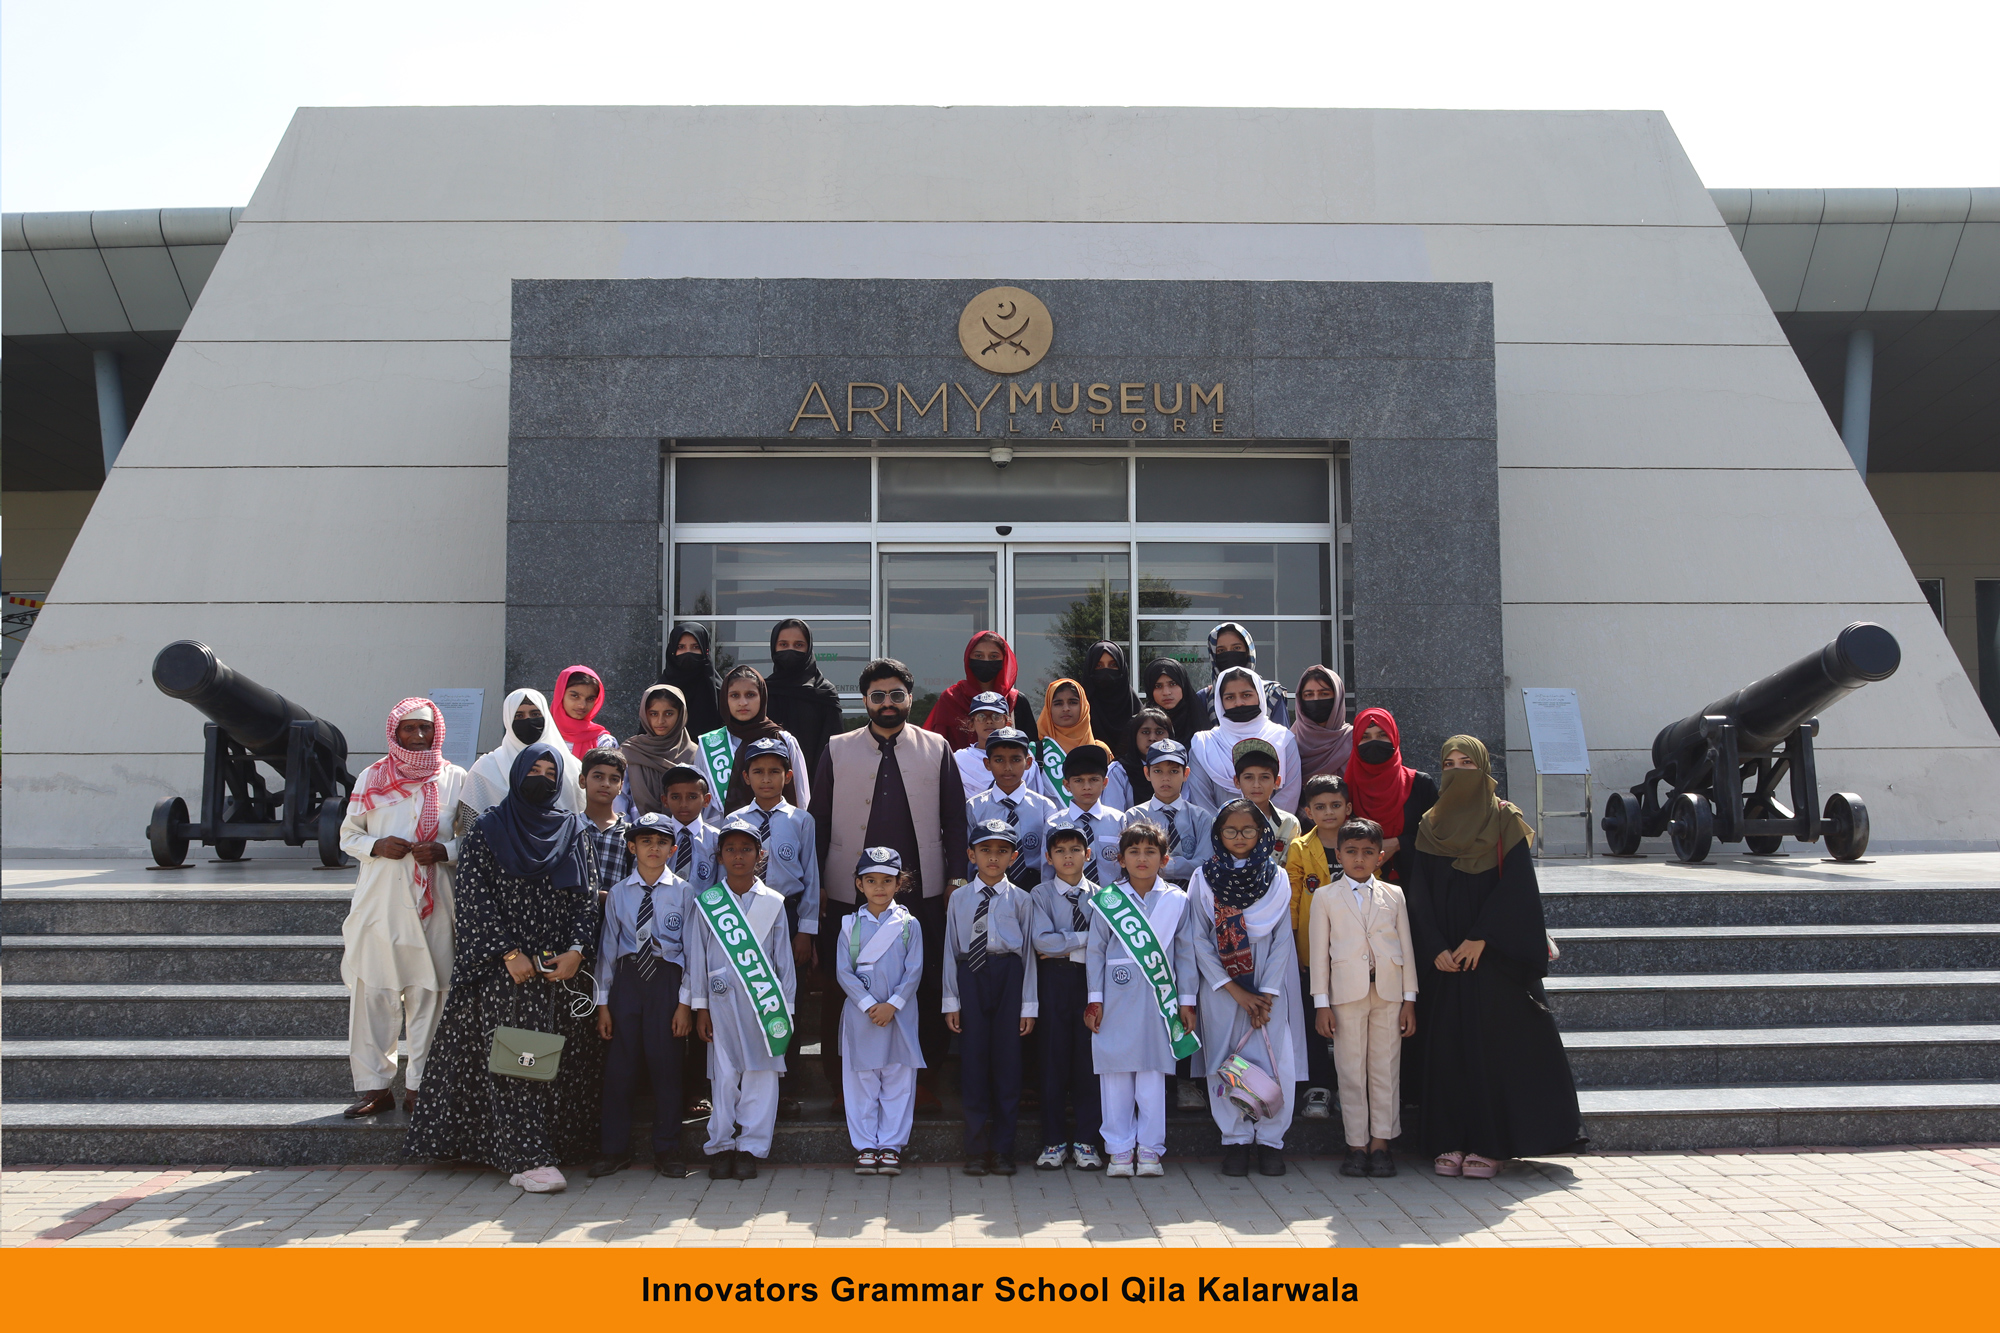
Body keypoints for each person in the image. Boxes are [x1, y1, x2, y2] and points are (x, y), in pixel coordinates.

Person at [404, 742, 604, 1194]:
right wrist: (508, 954)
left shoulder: (573, 830)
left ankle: (552, 1145)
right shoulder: (488, 830)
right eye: (534, 769)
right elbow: (474, 898)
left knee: (558, 1061)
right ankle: (526, 1158)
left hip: (560, 971)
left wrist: (576, 951)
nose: (542, 778)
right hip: (507, 972)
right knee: (519, 1059)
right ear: (516, 774)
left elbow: (587, 898)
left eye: (550, 773)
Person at [1407, 736, 1584, 1178]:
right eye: (1449, 763)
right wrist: (1434, 947)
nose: (1458, 771)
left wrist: (1481, 938)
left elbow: (1518, 888)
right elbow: (1419, 895)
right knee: (1447, 1051)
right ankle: (1449, 1140)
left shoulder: (1505, 819)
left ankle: (1493, 1144)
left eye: (1467, 763)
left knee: (1495, 1051)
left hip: (1493, 959)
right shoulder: (1430, 824)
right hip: (1445, 962)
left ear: (1484, 767)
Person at [811, 658, 969, 1111]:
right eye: (878, 695)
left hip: (923, 891)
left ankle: (924, 1079)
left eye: (896, 695)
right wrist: (818, 882)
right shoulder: (837, 748)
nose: (887, 703)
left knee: (925, 981)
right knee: (842, 985)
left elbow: (955, 819)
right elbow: (818, 820)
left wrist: (957, 877)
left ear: (909, 699)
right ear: (864, 700)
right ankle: (842, 1082)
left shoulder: (936, 747)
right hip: (848, 890)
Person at [338, 698, 464, 1119]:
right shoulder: (372, 775)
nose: (418, 735)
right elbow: (348, 835)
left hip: (434, 904)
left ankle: (420, 1087)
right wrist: (376, 845)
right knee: (373, 994)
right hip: (381, 903)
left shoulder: (456, 778)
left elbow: (474, 837)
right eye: (409, 728)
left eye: (425, 728)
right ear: (395, 733)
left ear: (437, 731)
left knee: (430, 995)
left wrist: (445, 850)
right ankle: (375, 1088)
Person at [1188, 799, 1307, 1178]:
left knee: (1275, 1060)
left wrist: (1266, 993)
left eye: (1248, 830)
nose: (1239, 837)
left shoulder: (1277, 877)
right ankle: (1235, 1139)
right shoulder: (1203, 877)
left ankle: (1271, 1141)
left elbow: (1282, 939)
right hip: (1221, 986)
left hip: (1269, 983)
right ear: (1217, 835)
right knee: (1223, 1060)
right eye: (1230, 830)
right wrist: (1235, 990)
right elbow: (1197, 938)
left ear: (1262, 834)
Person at [686, 814, 798, 1180]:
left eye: (746, 849)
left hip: (764, 1003)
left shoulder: (774, 903)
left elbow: (784, 962)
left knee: (761, 1076)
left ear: (760, 855)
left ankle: (750, 1147)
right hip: (720, 1005)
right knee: (723, 1077)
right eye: (730, 849)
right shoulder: (708, 902)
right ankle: (721, 1146)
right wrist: (700, 1008)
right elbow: (698, 958)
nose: (738, 856)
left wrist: (786, 1009)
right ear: (719, 856)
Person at [1085, 822, 1198, 1179]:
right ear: (1120, 859)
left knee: (1152, 1075)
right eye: (1133, 852)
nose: (1142, 858)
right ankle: (1119, 1149)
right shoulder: (1108, 900)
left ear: (1165, 859)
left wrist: (1187, 1001)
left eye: (1150, 852)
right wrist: (1095, 1000)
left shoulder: (1176, 900)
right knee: (1115, 1075)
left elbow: (1186, 953)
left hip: (1158, 1001)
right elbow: (1095, 951)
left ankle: (1150, 1149)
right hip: (1116, 999)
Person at [1310, 816, 1418, 1180]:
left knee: (1386, 1069)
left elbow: (1406, 947)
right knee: (1350, 1069)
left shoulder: (1394, 895)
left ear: (1380, 856)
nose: (1359, 859)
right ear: (1339, 854)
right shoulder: (1325, 896)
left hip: (1388, 992)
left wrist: (1409, 999)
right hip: (1345, 995)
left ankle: (1381, 1144)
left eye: (1368, 852)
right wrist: (1321, 1003)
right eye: (1352, 851)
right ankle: (1356, 1145)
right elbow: (1319, 954)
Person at [588, 812, 694, 1179]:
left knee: (667, 1066)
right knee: (621, 1067)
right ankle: (613, 1149)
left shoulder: (684, 892)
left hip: (666, 979)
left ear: (672, 849)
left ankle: (667, 1148)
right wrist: (603, 1003)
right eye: (645, 841)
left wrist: (685, 1003)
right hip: (628, 978)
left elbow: (692, 951)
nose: (653, 848)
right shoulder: (619, 892)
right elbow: (607, 950)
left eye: (661, 842)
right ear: (632, 847)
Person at [943, 819, 1041, 1176]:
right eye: (985, 850)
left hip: (1009, 975)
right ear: (971, 855)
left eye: (1002, 851)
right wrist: (951, 1000)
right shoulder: (959, 898)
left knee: (1008, 1064)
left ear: (1014, 857)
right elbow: (950, 949)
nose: (993, 858)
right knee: (973, 1063)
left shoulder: (1023, 899)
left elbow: (1028, 954)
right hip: (971, 974)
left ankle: (1002, 1149)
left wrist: (1028, 1004)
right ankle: (975, 1149)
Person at [838, 849, 925, 1177]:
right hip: (862, 1016)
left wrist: (892, 1005)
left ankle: (891, 1145)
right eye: (871, 880)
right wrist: (868, 1005)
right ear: (859, 884)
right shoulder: (849, 925)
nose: (879, 887)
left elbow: (914, 971)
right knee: (861, 1083)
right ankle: (865, 1146)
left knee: (898, 1081)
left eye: (887, 880)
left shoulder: (909, 925)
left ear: (899, 884)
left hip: (899, 1014)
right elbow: (843, 972)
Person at [1026, 819, 1104, 1172]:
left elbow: (1106, 941)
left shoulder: (1103, 896)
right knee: (1052, 1060)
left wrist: (1065, 942)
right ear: (1048, 857)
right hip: (1053, 982)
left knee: (1089, 1061)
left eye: (1075, 849)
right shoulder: (1040, 895)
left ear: (1088, 854)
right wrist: (1086, 940)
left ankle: (1087, 1141)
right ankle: (1053, 1141)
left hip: (1091, 982)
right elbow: (1041, 941)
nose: (1068, 856)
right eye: (1059, 851)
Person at [1285, 773, 1353, 1120]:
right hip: (1312, 949)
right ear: (1308, 812)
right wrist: (1295, 948)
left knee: (1350, 1020)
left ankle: (1348, 1087)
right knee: (1315, 1019)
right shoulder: (1299, 848)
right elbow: (1294, 901)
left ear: (1348, 808)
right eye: (1321, 807)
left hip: (1354, 949)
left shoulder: (1359, 842)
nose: (1329, 812)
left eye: (1336, 805)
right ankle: (1319, 1086)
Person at [698, 665, 813, 817]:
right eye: (734, 695)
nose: (743, 702)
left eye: (750, 695)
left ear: (762, 697)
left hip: (779, 829)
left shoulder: (784, 740)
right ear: (725, 699)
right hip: (721, 830)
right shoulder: (709, 744)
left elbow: (801, 797)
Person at [1343, 707, 1439, 884]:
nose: (1374, 742)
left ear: (1394, 737)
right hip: (1359, 885)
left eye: (1382, 735)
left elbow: (1437, 835)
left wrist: (1398, 843)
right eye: (1365, 737)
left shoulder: (1419, 784)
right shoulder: (1346, 788)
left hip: (1415, 883)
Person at [1188, 667, 1303, 814]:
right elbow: (1201, 801)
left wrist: (1266, 825)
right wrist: (1225, 827)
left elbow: (1289, 795)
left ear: (1259, 696)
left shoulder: (1283, 738)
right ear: (1220, 701)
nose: (1239, 703)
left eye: (1246, 695)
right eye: (1230, 697)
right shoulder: (1204, 744)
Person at [966, 727, 1060, 890]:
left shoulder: (1044, 807)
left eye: (1016, 760)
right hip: (988, 886)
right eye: (999, 760)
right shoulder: (975, 807)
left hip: (1035, 887)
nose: (1008, 767)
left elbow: (1051, 857)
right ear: (987, 764)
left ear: (1028, 762)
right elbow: (968, 856)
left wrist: (1047, 893)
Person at [465, 688, 584, 813]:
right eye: (519, 716)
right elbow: (472, 818)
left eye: (535, 714)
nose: (528, 720)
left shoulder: (572, 767)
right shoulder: (485, 768)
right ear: (508, 719)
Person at [923, 630, 1040, 749]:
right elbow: (935, 747)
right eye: (978, 656)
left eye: (993, 656)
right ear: (968, 659)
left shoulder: (1016, 701)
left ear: (1003, 660)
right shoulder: (950, 699)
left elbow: (1030, 749)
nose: (986, 661)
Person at [1132, 738, 1214, 890]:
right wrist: (1185, 866)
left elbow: (1205, 864)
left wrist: (1158, 864)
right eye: (1157, 771)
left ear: (1186, 773)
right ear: (1147, 773)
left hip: (1192, 896)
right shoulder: (1134, 817)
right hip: (1146, 896)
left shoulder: (1201, 817)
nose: (1166, 778)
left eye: (1174, 771)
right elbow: (1131, 863)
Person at [765, 617, 845, 775]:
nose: (790, 650)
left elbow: (834, 748)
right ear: (774, 648)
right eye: (783, 645)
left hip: (816, 782)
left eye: (798, 645)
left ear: (809, 649)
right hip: (768, 783)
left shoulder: (824, 692)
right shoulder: (763, 692)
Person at [621, 683, 702, 818]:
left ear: (681, 714)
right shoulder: (630, 751)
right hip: (636, 827)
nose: (660, 721)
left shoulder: (696, 754)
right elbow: (620, 800)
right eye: (653, 714)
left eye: (669, 713)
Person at [1193, 623, 1291, 729]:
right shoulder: (1205, 698)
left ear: (1248, 651)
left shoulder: (1272, 693)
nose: (1230, 654)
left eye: (1236, 648)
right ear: (1213, 655)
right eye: (1221, 650)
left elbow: (1281, 737)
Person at [1055, 742, 1125, 889]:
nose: (1087, 787)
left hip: (1114, 898)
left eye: (1094, 780)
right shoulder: (1054, 823)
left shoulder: (1119, 820)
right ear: (1067, 785)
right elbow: (1048, 872)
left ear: (1105, 782)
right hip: (1069, 898)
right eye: (1078, 781)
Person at [1033, 677, 1108, 806]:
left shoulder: (1101, 750)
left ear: (1083, 706)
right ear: (1049, 709)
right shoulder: (1035, 752)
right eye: (1058, 703)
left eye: (1073, 702)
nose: (1066, 708)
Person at [1231, 738, 1302, 859]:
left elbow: (1291, 865)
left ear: (1277, 782)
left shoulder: (1289, 823)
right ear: (1237, 782)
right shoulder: (1225, 821)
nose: (1256, 785)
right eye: (1248, 777)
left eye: (1264, 777)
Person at [657, 621, 725, 739]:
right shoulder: (658, 692)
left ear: (705, 650)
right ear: (672, 651)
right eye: (681, 647)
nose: (688, 653)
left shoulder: (721, 692)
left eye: (695, 647)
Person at [579, 748, 632, 892]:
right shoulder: (571, 827)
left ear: (621, 786)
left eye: (614, 779)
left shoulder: (629, 833)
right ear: (582, 780)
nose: (606, 784)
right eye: (598, 777)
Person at [659, 765, 719, 888]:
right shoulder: (656, 838)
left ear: (706, 800)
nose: (683, 804)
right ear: (665, 800)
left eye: (692, 797)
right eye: (675, 797)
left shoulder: (717, 840)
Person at [1291, 665, 1353, 780]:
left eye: (1324, 694)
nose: (1316, 699)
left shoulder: (1353, 739)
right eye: (1309, 695)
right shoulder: (1289, 742)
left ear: (1337, 697)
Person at [1080, 640, 1140, 756]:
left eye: (1113, 665)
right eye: (1099, 666)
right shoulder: (1080, 713)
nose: (1106, 673)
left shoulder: (1138, 713)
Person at [1105, 707, 1172, 811]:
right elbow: (1114, 816)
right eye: (1145, 732)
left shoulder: (1179, 768)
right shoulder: (1119, 771)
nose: (1152, 738)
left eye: (1159, 732)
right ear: (1134, 736)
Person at [551, 665, 617, 758]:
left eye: (590, 699)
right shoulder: (541, 735)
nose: (582, 705)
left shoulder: (603, 742)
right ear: (560, 694)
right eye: (575, 696)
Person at [1141, 657, 1203, 746]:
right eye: (1158, 686)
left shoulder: (1200, 719)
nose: (1166, 692)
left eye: (1173, 684)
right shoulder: (1140, 724)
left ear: (1183, 685)